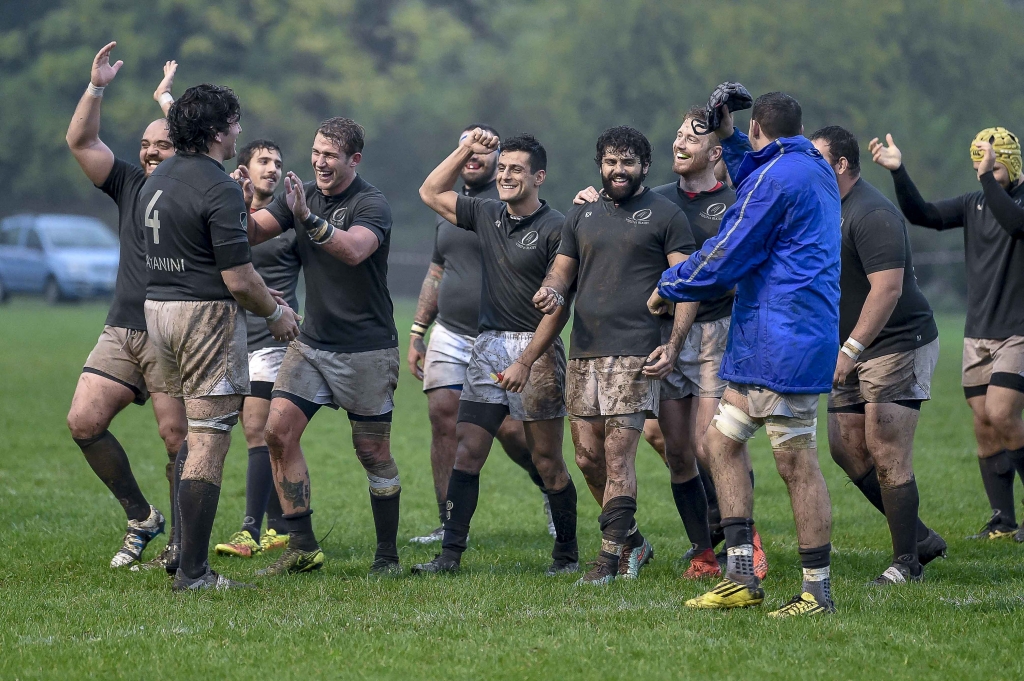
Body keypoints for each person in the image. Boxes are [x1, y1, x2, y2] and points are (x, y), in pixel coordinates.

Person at [655, 87, 841, 617]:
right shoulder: (803, 164)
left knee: (795, 461)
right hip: (770, 336)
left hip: (787, 339)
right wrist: (730, 132)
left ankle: (816, 591)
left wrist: (669, 284)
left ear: (761, 128)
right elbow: (757, 171)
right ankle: (740, 573)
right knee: (719, 443)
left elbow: (725, 256)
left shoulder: (776, 178)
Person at [572, 107, 767, 581]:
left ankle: (747, 542)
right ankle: (703, 551)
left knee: (710, 444)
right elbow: (619, 219)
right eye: (677, 136)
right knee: (677, 452)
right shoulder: (655, 200)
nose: (681, 143)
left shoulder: (738, 199)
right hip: (664, 335)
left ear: (715, 152)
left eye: (693, 137)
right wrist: (593, 200)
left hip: (716, 331)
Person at [141, 83, 301, 591]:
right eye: (234, 122)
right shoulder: (220, 187)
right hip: (203, 316)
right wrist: (277, 313)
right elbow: (238, 278)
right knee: (209, 441)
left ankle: (181, 558)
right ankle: (193, 573)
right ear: (217, 131)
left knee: (187, 437)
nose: (239, 131)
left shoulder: (159, 176)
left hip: (156, 311)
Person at [534, 126, 696, 585]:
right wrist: (549, 291)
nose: (617, 170)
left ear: (645, 167)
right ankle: (634, 541)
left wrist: (674, 343)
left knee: (618, 452)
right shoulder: (582, 214)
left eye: (627, 163)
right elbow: (561, 271)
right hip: (585, 350)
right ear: (600, 165)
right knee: (587, 457)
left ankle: (606, 562)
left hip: (636, 351)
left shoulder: (666, 215)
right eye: (609, 161)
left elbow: (686, 287)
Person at [411, 130, 578, 575]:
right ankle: (449, 556)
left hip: (534, 349)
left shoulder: (556, 226)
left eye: (516, 169)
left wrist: (526, 361)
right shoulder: (485, 213)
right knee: (467, 451)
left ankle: (566, 555)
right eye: (501, 168)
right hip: (486, 346)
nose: (505, 176)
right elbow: (430, 191)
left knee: (546, 460)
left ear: (539, 176)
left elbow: (559, 310)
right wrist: (468, 149)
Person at [246, 118, 402, 576]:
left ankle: (387, 555)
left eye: (330, 155)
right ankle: (303, 547)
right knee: (277, 432)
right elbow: (253, 232)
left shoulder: (371, 203)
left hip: (367, 349)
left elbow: (354, 250)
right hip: (312, 344)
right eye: (316, 152)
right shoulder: (302, 194)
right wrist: (233, 199)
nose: (319, 162)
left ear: (354, 160)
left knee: (372, 453)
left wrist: (308, 219)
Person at [64, 42, 187, 570]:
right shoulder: (129, 183)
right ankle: (142, 518)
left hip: (173, 330)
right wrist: (96, 87)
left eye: (161, 145)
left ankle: (184, 541)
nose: (149, 153)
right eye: (144, 145)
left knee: (176, 439)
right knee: (84, 422)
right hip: (123, 328)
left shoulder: (198, 189)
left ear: (184, 150)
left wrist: (169, 103)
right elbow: (81, 140)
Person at [871, 128, 1024, 542]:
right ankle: (1003, 521)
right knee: (983, 424)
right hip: (978, 332)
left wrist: (988, 180)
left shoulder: (1014, 202)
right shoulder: (974, 202)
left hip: (1016, 332)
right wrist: (899, 171)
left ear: (1008, 163)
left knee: (1002, 413)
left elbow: (1014, 225)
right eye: (978, 161)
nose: (982, 168)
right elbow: (924, 215)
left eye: (990, 161)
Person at [810, 125, 947, 585]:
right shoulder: (824, 209)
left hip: (896, 341)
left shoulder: (872, 213)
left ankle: (906, 563)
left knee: (886, 449)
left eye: (817, 159)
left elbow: (887, 290)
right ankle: (921, 538)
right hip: (851, 345)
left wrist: (851, 348)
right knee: (846, 449)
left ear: (842, 165)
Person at [212, 140, 300, 558]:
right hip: (228, 335)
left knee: (256, 429)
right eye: (263, 161)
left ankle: (249, 530)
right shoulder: (224, 209)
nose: (273, 168)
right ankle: (280, 527)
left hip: (273, 336)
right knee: (254, 434)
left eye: (278, 163)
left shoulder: (291, 215)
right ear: (242, 168)